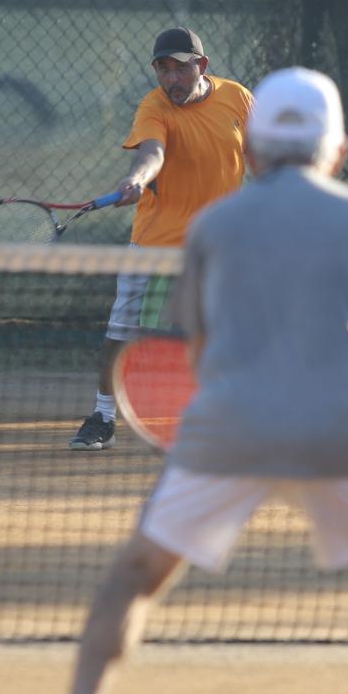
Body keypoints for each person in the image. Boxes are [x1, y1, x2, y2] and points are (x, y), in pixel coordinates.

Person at [23, 67, 348, 694]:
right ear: (340, 150)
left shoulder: (213, 227)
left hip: (228, 424)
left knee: (136, 575)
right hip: (344, 427)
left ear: (251, 153)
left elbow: (195, 350)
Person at [69, 26, 253, 451]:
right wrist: (136, 179)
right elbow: (153, 153)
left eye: (180, 69)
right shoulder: (154, 106)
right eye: (162, 70)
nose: (171, 79)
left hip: (220, 245)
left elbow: (261, 155)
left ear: (201, 66)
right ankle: (103, 416)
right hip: (156, 243)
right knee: (122, 330)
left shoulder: (238, 98)